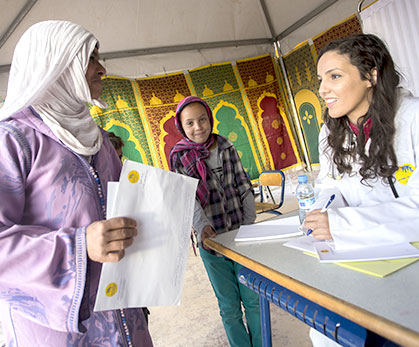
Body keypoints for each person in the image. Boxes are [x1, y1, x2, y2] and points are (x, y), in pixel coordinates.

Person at [0, 21, 153, 346]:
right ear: (55, 63)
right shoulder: (13, 142)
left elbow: (117, 209)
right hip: (59, 332)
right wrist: (79, 247)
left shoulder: (95, 139)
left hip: (124, 317)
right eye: (90, 58)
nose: (102, 69)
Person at [306, 34, 419, 345]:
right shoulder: (330, 131)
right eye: (320, 79)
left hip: (409, 259)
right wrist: (324, 212)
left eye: (335, 76)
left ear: (371, 76)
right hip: (359, 255)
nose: (322, 89)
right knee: (327, 332)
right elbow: (329, 185)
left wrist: (343, 224)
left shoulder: (413, 118)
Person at [169, 96, 261, 347]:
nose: (198, 127)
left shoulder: (225, 146)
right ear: (181, 127)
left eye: (202, 119)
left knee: (253, 299)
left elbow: (244, 186)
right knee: (229, 306)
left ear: (210, 118)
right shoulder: (180, 156)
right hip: (212, 241)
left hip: (241, 236)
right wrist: (202, 229)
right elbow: (187, 198)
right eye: (190, 123)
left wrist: (248, 225)